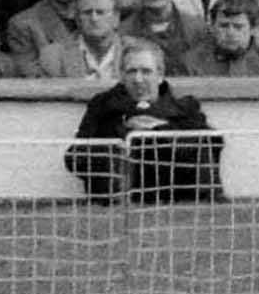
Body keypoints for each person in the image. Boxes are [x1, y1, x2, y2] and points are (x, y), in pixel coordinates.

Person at [63, 35, 221, 198]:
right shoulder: (102, 106)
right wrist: (123, 132)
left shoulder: (186, 107)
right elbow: (75, 158)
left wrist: (160, 130)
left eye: (146, 71)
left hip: (176, 204)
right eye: (132, 71)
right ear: (122, 75)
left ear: (160, 75)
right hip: (116, 207)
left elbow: (213, 146)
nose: (138, 79)